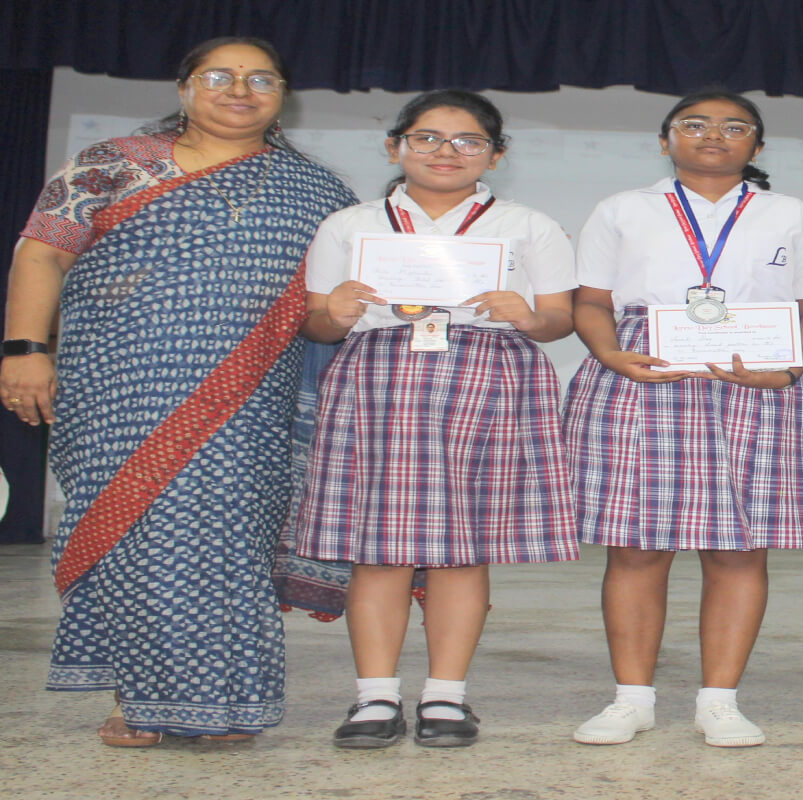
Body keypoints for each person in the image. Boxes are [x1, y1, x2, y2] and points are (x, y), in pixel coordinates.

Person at [0, 36, 356, 745]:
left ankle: (225, 705)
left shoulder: (317, 190)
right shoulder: (111, 165)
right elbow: (41, 251)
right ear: (186, 86)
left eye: (262, 78)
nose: (240, 89)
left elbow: (324, 312)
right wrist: (24, 350)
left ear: (282, 94)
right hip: (115, 386)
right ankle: (136, 698)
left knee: (228, 541)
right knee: (131, 533)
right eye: (219, 76)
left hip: (250, 397)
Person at [291, 89, 579, 749]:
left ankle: (447, 697)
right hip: (376, 381)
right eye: (426, 138)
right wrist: (332, 313)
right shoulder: (349, 225)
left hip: (490, 380)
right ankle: (374, 698)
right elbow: (316, 322)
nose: (446, 152)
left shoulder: (528, 225)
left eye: (467, 141)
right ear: (394, 147)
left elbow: (559, 319)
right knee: (378, 551)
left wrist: (529, 316)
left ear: (496, 155)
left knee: (461, 551)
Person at [564, 90, 803, 749]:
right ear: (665, 141)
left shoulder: (793, 215)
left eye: (733, 126)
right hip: (644, 374)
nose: (713, 134)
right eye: (693, 124)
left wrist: (790, 368)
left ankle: (720, 701)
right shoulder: (622, 210)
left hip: (755, 379)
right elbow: (592, 300)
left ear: (758, 145)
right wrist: (608, 353)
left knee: (739, 548)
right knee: (635, 546)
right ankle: (630, 699)